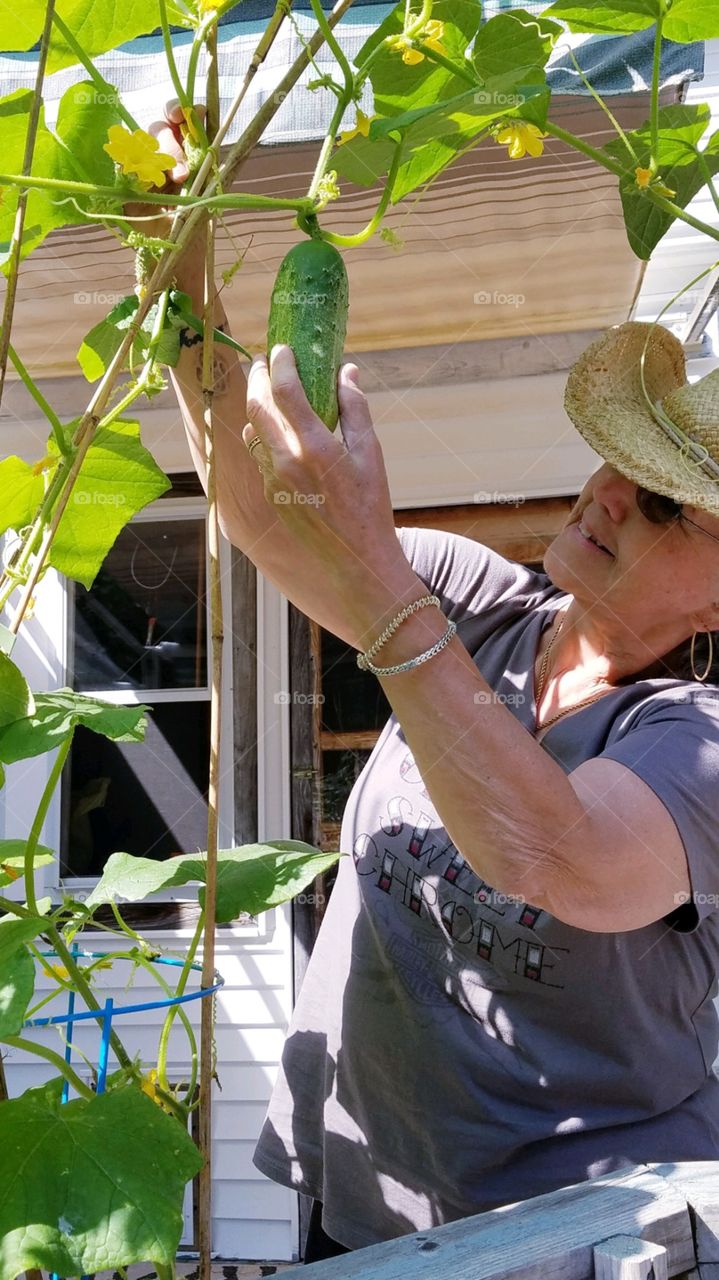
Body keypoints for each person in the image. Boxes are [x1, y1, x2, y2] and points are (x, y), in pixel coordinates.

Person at [151, 103, 719, 1261]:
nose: (607, 494)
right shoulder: (483, 602)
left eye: (662, 500)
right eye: (618, 462)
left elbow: (554, 854)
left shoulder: (693, 738)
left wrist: (368, 562)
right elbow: (259, 510)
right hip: (359, 1197)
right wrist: (181, 247)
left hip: (564, 1241)